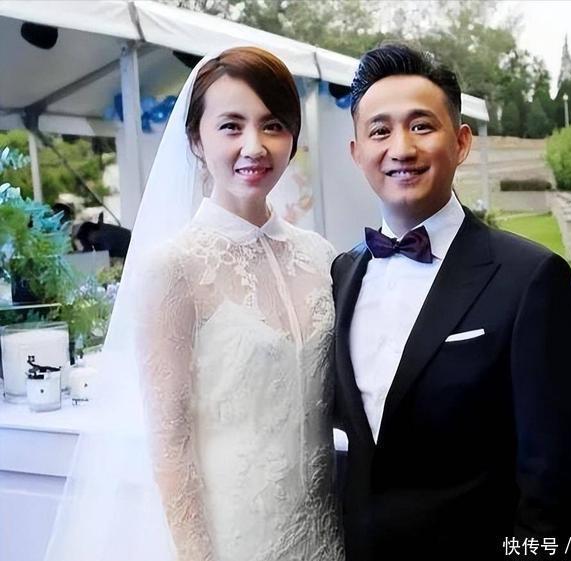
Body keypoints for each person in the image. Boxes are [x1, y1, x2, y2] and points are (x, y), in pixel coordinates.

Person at [44, 47, 343, 561]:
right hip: (231, 543)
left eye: (272, 125)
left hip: (325, 535)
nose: (254, 146)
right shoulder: (173, 267)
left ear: (292, 137)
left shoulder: (321, 256)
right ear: (196, 140)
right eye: (231, 126)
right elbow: (170, 442)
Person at [331, 43, 571, 561]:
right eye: (380, 131)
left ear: (461, 141)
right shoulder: (342, 273)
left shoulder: (531, 278)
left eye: (421, 126)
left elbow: (556, 481)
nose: (401, 148)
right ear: (357, 152)